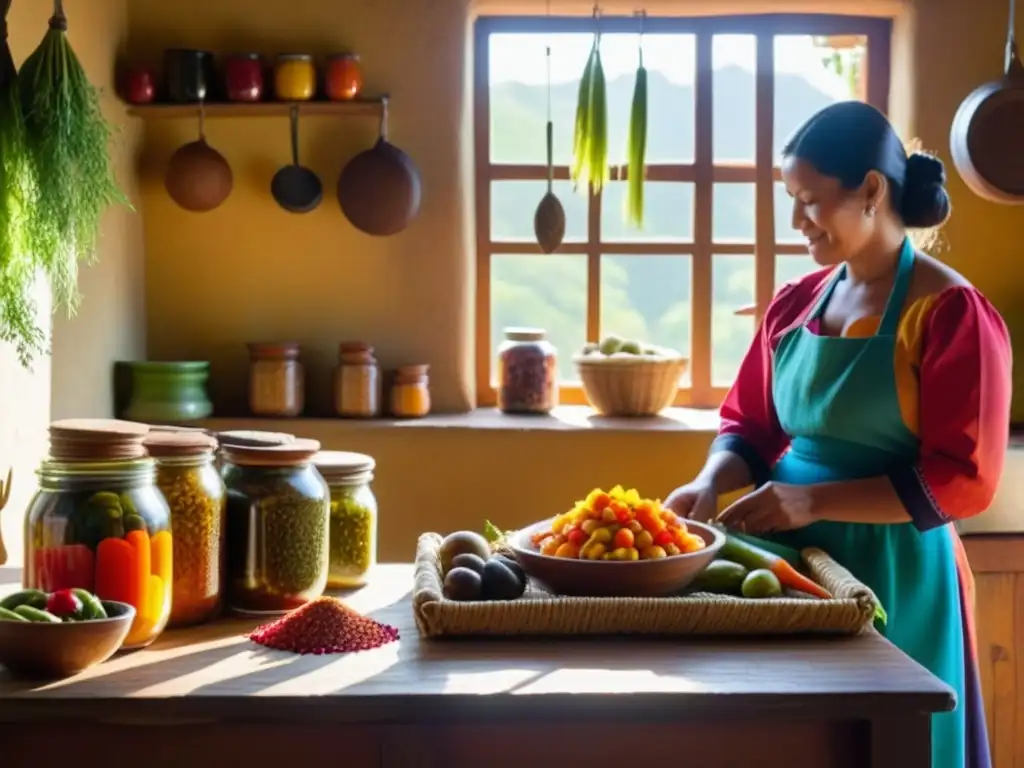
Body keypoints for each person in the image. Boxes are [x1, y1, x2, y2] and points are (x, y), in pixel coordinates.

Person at [665, 100, 1010, 768]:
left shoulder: (948, 312)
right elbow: (749, 426)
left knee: (888, 743)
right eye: (790, 199)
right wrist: (709, 482)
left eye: (810, 200)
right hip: (784, 559)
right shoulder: (796, 304)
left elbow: (963, 479)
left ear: (872, 191)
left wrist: (814, 502)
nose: (796, 221)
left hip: (895, 569)